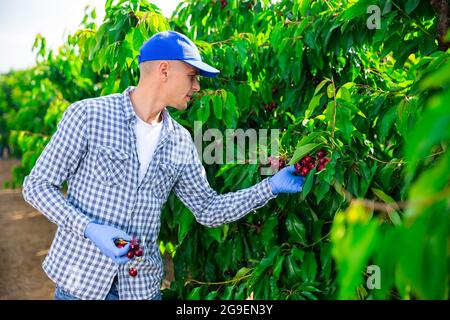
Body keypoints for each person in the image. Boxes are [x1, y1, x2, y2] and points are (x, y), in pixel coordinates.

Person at [22, 30, 305, 300]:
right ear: (164, 70)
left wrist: (271, 186)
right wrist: (89, 228)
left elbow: (207, 209)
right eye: (193, 76)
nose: (197, 87)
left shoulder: (180, 141)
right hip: (80, 284)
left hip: (141, 288)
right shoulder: (89, 115)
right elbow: (37, 186)